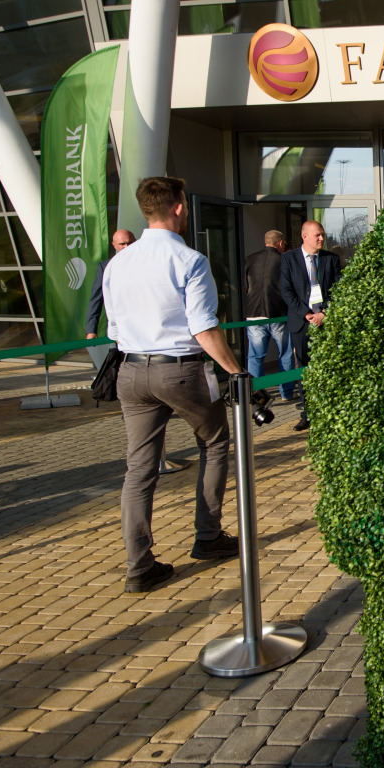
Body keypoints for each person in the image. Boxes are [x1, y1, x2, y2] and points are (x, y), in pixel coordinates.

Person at [102, 177, 243, 593]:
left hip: (130, 370)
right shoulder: (189, 260)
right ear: (179, 208)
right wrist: (235, 371)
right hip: (180, 368)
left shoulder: (118, 263)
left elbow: (113, 326)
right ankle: (208, 535)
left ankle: (139, 565)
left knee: (139, 468)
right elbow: (203, 327)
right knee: (215, 443)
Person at [88, 229, 183, 475]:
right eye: (121, 244)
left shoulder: (147, 263)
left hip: (152, 342)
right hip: (125, 342)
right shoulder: (107, 267)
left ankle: (154, 452)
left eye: (130, 242)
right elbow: (97, 298)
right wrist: (91, 328)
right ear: (113, 245)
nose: (126, 246)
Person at [279, 220, 342, 432]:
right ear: (304, 236)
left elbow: (338, 289)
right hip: (301, 323)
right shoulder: (288, 259)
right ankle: (308, 413)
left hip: (326, 322)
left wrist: (324, 313)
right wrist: (306, 313)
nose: (322, 238)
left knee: (327, 369)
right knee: (305, 370)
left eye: (323, 234)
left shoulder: (331, 259)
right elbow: (286, 290)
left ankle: (328, 412)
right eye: (317, 235)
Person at [243, 229, 296, 403]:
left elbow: (245, 287)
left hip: (253, 314)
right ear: (280, 243)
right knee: (286, 354)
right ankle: (286, 393)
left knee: (256, 356)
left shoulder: (249, 259)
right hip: (278, 314)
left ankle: (257, 394)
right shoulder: (284, 260)